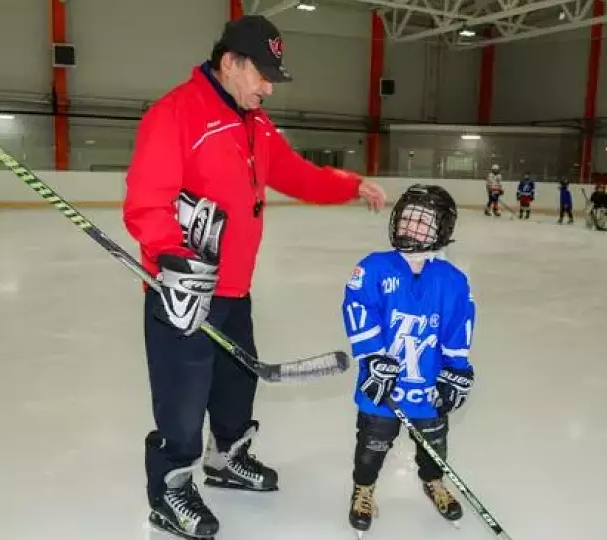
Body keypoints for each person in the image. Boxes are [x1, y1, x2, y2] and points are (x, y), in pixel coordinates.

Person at [121, 14, 387, 540]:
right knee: (182, 395)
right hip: (184, 291)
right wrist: (172, 258)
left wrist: (348, 184)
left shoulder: (255, 123)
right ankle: (170, 488)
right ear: (230, 64)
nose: (268, 86)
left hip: (235, 288)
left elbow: (294, 173)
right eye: (261, 74)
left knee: (235, 385)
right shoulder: (174, 115)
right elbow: (145, 202)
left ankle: (227, 459)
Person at [340, 184, 475, 538]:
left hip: (427, 390)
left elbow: (458, 327)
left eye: (422, 222)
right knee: (370, 446)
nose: (409, 228)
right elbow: (358, 308)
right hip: (381, 388)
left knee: (434, 446)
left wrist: (457, 370)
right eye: (406, 219)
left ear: (441, 230)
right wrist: (373, 358)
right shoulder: (372, 267)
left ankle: (433, 481)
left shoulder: (453, 281)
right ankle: (363, 488)